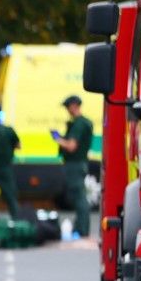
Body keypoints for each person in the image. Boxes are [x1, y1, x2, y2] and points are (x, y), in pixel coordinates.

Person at [54, 95, 93, 238]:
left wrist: (57, 139)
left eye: (67, 106)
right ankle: (80, 227)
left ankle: (81, 229)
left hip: (75, 164)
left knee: (79, 197)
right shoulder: (82, 123)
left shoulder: (79, 124)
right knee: (78, 196)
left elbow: (71, 146)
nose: (67, 110)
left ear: (74, 105)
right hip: (79, 163)